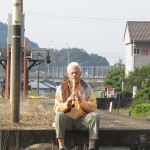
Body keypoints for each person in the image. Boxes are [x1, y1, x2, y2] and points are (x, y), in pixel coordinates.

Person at [53, 62, 100, 150]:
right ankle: (61, 146)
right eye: (72, 73)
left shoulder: (87, 88)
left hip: (82, 120)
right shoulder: (61, 88)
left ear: (80, 74)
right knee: (58, 116)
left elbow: (93, 107)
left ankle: (91, 146)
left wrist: (81, 101)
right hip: (67, 121)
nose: (74, 75)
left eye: (76, 73)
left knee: (95, 116)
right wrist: (67, 104)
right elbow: (56, 108)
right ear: (68, 74)